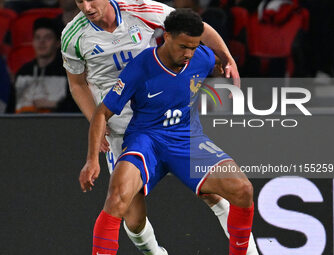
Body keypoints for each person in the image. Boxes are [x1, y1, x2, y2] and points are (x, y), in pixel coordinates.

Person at [62, 0, 258, 254]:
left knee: (219, 191)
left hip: (174, 122)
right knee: (130, 216)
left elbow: (196, 29)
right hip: (124, 129)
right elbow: (78, 85)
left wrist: (227, 58)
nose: (86, 6)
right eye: (79, 1)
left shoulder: (142, 9)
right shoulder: (73, 36)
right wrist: (97, 128)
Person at [14, 18, 68, 113]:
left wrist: (54, 105)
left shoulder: (67, 73)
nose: (41, 42)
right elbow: (10, 110)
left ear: (57, 43)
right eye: (37, 38)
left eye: (47, 38)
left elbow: (77, 108)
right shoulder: (23, 72)